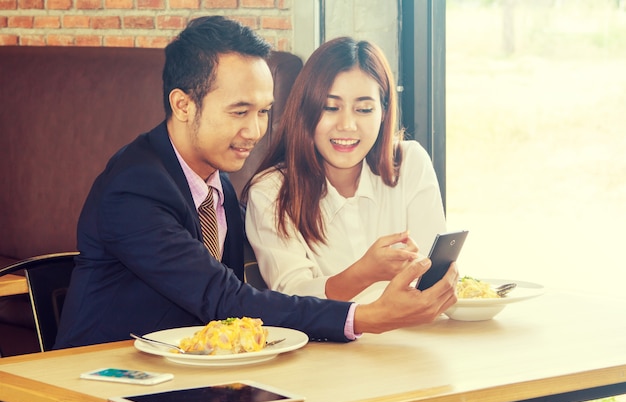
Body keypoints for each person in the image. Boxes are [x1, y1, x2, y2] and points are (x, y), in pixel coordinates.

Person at [54, 16, 457, 349]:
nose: (255, 130)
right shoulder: (134, 189)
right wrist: (366, 316)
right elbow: (225, 300)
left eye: (264, 112)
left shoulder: (218, 188)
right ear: (183, 104)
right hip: (98, 379)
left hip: (188, 373)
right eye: (240, 111)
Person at [243, 37, 449, 302]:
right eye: (331, 107)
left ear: (384, 112)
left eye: (364, 109)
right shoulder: (271, 191)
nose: (347, 125)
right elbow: (293, 296)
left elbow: (432, 275)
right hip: (327, 343)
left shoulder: (410, 162)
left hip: (417, 333)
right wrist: (364, 273)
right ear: (306, 109)